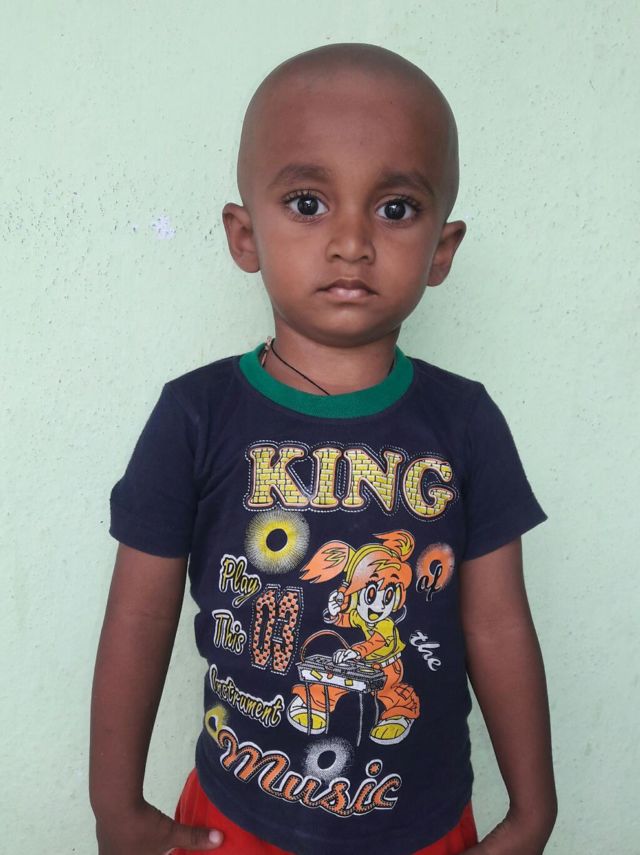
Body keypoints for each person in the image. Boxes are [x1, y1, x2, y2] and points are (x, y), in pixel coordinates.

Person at [90, 43, 557, 855]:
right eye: (307, 202)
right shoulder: (195, 415)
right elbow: (139, 613)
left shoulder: (466, 422)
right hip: (237, 818)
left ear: (442, 250)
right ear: (246, 236)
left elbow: (498, 624)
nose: (351, 240)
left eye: (396, 208)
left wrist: (533, 812)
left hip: (423, 829)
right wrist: (114, 804)